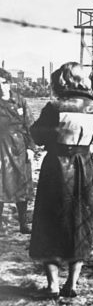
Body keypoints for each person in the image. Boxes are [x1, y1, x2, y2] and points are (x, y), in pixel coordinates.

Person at [29, 62, 93, 299]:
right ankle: (73, 282)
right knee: (81, 220)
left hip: (57, 167)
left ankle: (52, 284)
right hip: (85, 166)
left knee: (49, 221)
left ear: (64, 80)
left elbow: (38, 135)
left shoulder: (54, 106)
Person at [0, 68, 34, 234]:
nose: (1, 87)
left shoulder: (20, 101)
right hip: (1, 147)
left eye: (3, 83)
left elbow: (30, 126)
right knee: (0, 184)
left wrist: (31, 148)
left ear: (9, 83)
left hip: (19, 147)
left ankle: (23, 223)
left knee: (22, 183)